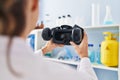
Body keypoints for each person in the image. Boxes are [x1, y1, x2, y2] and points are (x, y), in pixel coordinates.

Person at [0, 0, 98, 80]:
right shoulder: (59, 75)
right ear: (33, 4)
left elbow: (20, 60)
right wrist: (84, 57)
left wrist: (45, 49)